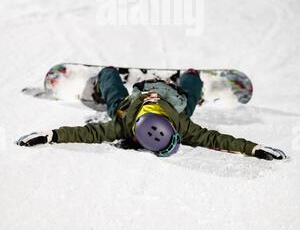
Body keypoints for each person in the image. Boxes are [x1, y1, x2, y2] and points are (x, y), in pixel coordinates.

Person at [17, 67, 286, 160]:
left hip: (144, 95)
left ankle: (107, 75)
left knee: (114, 96)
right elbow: (218, 140)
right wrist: (253, 148)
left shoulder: (124, 124)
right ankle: (191, 78)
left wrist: (50, 135)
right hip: (168, 95)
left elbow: (84, 134)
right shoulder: (180, 122)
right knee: (189, 98)